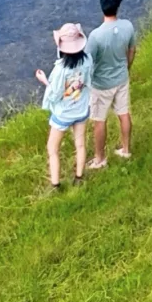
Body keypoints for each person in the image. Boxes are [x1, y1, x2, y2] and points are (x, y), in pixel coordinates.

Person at [35, 23, 93, 189]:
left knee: (52, 148)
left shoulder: (60, 69)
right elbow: (88, 81)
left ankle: (56, 184)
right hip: (81, 109)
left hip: (63, 114)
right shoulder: (88, 60)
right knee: (80, 144)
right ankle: (79, 178)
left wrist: (44, 80)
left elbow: (54, 94)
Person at [87, 0, 137, 169]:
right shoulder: (128, 26)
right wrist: (127, 68)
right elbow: (132, 50)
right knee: (124, 113)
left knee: (99, 120)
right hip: (122, 78)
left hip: (101, 85)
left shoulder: (95, 36)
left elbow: (87, 63)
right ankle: (125, 149)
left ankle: (100, 159)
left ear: (102, 7)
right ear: (118, 5)